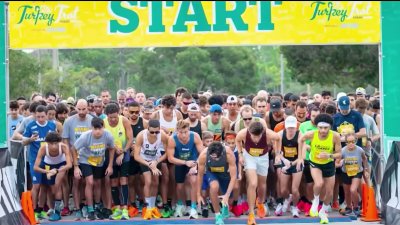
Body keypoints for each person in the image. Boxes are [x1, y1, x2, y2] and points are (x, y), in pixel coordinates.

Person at [298, 114, 342, 224]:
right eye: (320, 127)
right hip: (315, 163)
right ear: (317, 127)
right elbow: (300, 140)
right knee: (318, 183)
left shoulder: (335, 136)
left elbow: (339, 154)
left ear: (330, 127)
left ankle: (323, 211)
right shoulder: (311, 134)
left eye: (325, 128)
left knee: (330, 193)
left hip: (328, 164)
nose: (323, 130)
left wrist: (329, 156)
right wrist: (300, 157)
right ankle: (315, 201)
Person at [235, 121, 280, 225]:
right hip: (249, 157)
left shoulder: (268, 133)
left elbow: (278, 138)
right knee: (253, 183)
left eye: (258, 136)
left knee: (262, 185)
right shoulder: (243, 133)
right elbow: (237, 140)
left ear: (262, 133)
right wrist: (241, 154)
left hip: (263, 157)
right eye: (253, 136)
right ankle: (251, 214)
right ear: (249, 132)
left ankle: (260, 202)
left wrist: (278, 154)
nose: (255, 139)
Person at [72, 117, 115, 220]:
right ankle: (90, 208)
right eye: (95, 129)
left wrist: (110, 165)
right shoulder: (85, 137)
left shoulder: (108, 135)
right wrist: (76, 166)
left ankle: (97, 205)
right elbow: (73, 149)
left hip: (99, 161)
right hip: (85, 160)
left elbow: (112, 148)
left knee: (98, 183)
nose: (97, 131)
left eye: (99, 128)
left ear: (103, 127)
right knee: (90, 182)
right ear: (91, 128)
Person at [23, 105, 57, 221]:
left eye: (42, 116)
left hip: (48, 160)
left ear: (47, 115)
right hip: (34, 160)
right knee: (36, 185)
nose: (40, 119)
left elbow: (56, 141)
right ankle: (33, 210)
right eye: (38, 117)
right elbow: (23, 142)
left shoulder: (52, 125)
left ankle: (40, 209)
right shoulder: (31, 125)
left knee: (45, 186)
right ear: (35, 116)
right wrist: (30, 139)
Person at [167, 120, 204, 218]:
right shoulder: (172, 139)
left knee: (193, 180)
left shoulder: (195, 136)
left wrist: (195, 164)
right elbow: (170, 158)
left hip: (193, 161)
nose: (183, 135)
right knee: (179, 186)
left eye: (186, 132)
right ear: (177, 131)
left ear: (189, 130)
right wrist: (184, 162)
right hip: (180, 162)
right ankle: (180, 205)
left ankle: (193, 208)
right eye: (181, 132)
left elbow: (202, 154)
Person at [103, 103, 133, 220]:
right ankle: (117, 208)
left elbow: (130, 139)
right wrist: (115, 150)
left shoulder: (124, 120)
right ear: (107, 116)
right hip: (110, 153)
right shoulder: (104, 123)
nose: (113, 119)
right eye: (111, 117)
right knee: (113, 182)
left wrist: (124, 152)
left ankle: (125, 209)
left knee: (124, 180)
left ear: (119, 113)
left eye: (115, 116)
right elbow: (102, 141)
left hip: (124, 152)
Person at [134, 120, 169, 220]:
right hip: (143, 159)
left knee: (156, 182)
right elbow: (136, 156)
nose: (154, 134)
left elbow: (167, 153)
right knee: (148, 181)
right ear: (148, 128)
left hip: (156, 159)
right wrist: (149, 164)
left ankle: (153, 207)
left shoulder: (162, 135)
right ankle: (148, 207)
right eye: (152, 132)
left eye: (156, 132)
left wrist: (156, 162)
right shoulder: (141, 135)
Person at [33, 132, 72, 221]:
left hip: (61, 166)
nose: (54, 146)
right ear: (47, 143)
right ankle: (39, 210)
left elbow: (69, 165)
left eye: (56, 143)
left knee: (56, 187)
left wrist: (56, 171)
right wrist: (48, 171)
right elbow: (35, 167)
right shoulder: (43, 148)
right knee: (44, 188)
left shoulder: (63, 147)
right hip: (48, 166)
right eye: (51, 144)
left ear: (59, 142)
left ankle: (57, 212)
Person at [197, 142, 237, 225]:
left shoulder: (229, 153)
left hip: (225, 173)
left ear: (222, 153)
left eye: (217, 158)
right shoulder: (203, 155)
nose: (215, 159)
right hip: (212, 173)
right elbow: (200, 176)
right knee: (214, 187)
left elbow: (233, 177)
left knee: (230, 198)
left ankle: (225, 205)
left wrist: (227, 195)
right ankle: (217, 215)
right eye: (213, 157)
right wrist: (198, 194)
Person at [274, 116, 303, 217]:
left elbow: (301, 157)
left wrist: (291, 164)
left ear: (296, 127)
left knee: (295, 189)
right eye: (289, 128)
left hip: (296, 163)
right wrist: (283, 160)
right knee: (283, 190)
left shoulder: (300, 135)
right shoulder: (280, 134)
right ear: (285, 127)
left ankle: (294, 206)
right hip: (285, 161)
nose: (290, 130)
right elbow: (277, 152)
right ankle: (287, 199)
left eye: (292, 128)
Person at [339, 133, 369, 218]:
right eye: (349, 142)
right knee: (347, 192)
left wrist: (366, 169)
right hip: (346, 172)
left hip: (357, 172)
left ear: (355, 141)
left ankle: (356, 207)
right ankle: (349, 207)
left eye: (353, 141)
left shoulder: (360, 150)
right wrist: (339, 162)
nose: (351, 144)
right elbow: (337, 162)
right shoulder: (343, 150)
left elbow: (364, 159)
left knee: (353, 190)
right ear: (346, 142)